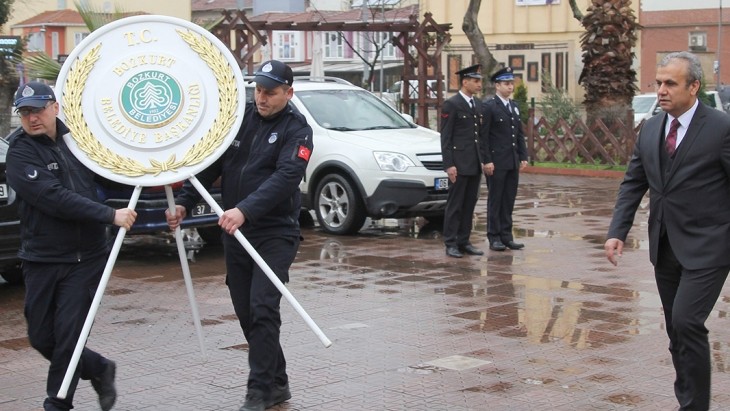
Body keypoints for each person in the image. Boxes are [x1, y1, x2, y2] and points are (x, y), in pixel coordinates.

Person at [166, 60, 313, 411]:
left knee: (263, 307)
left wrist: (245, 209)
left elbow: (286, 178)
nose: (261, 98)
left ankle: (259, 391)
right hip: (235, 231)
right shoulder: (240, 119)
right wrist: (185, 202)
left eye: (270, 92)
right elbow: (212, 164)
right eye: (258, 90)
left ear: (288, 93)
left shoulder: (298, 130)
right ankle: (277, 381)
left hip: (274, 232)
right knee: (247, 311)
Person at [605, 51, 730, 410]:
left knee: (687, 321)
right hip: (665, 245)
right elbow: (633, 182)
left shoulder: (720, 127)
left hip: (710, 246)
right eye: (658, 82)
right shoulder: (652, 127)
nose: (661, 89)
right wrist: (618, 230)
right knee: (677, 333)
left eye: (670, 83)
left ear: (693, 87)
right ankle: (688, 400)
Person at [5, 81, 137, 411]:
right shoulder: (20, 152)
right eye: (25, 113)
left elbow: (110, 174)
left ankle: (57, 404)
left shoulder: (78, 142)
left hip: (87, 259)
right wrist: (109, 215)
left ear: (55, 107)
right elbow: (54, 199)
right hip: (42, 258)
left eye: (37, 110)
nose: (32, 118)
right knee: (41, 338)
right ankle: (98, 368)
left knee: (68, 338)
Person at [439, 64, 490, 258]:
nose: (479, 85)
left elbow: (480, 137)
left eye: (480, 81)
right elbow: (446, 138)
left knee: (469, 204)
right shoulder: (451, 104)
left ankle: (464, 240)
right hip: (459, 164)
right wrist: (449, 165)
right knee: (455, 205)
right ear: (465, 82)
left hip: (474, 163)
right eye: (475, 81)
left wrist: (484, 160)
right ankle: (451, 242)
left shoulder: (477, 105)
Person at [481, 66, 528, 251]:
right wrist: (487, 160)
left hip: (511, 161)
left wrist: (523, 156)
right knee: (496, 199)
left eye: (511, 84)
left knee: (509, 199)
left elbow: (518, 133)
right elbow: (483, 137)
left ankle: (507, 236)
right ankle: (494, 237)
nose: (510, 87)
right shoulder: (489, 107)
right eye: (506, 84)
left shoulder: (514, 106)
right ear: (497, 85)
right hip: (496, 162)